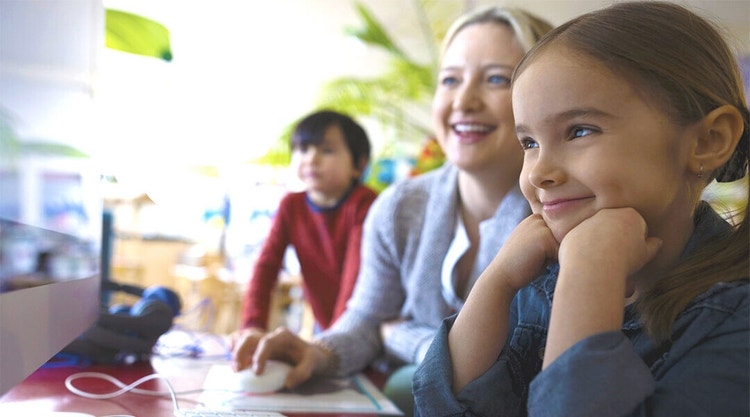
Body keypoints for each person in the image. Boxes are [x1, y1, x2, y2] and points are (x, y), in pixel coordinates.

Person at [413, 2, 750, 416]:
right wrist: (496, 282)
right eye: (529, 144)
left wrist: (590, 277)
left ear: (708, 141)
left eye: (579, 131)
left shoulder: (734, 318)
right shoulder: (540, 281)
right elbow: (441, 408)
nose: (539, 174)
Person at [231, 7, 554, 417]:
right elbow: (367, 318)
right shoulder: (400, 206)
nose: (464, 101)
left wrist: (405, 337)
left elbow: (514, 360)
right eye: (450, 79)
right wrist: (315, 352)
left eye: (495, 79)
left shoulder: (560, 213)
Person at [237, 110, 377, 336]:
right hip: (326, 323)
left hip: (367, 326)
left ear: (359, 165)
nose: (311, 158)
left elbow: (356, 276)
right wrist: (252, 326)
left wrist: (336, 340)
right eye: (303, 149)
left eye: (327, 150)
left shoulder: (365, 205)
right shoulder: (291, 206)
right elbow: (266, 266)